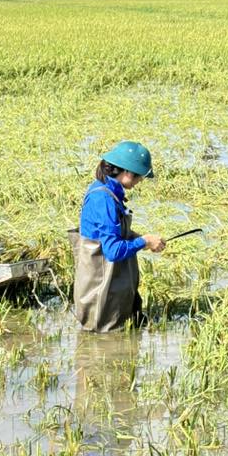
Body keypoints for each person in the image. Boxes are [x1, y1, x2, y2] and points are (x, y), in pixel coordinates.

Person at [70, 141, 165, 332]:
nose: (140, 181)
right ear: (128, 172)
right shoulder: (103, 199)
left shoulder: (108, 190)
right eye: (139, 177)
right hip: (100, 295)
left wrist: (144, 242)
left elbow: (113, 235)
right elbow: (112, 251)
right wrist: (144, 241)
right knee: (105, 343)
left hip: (111, 291)